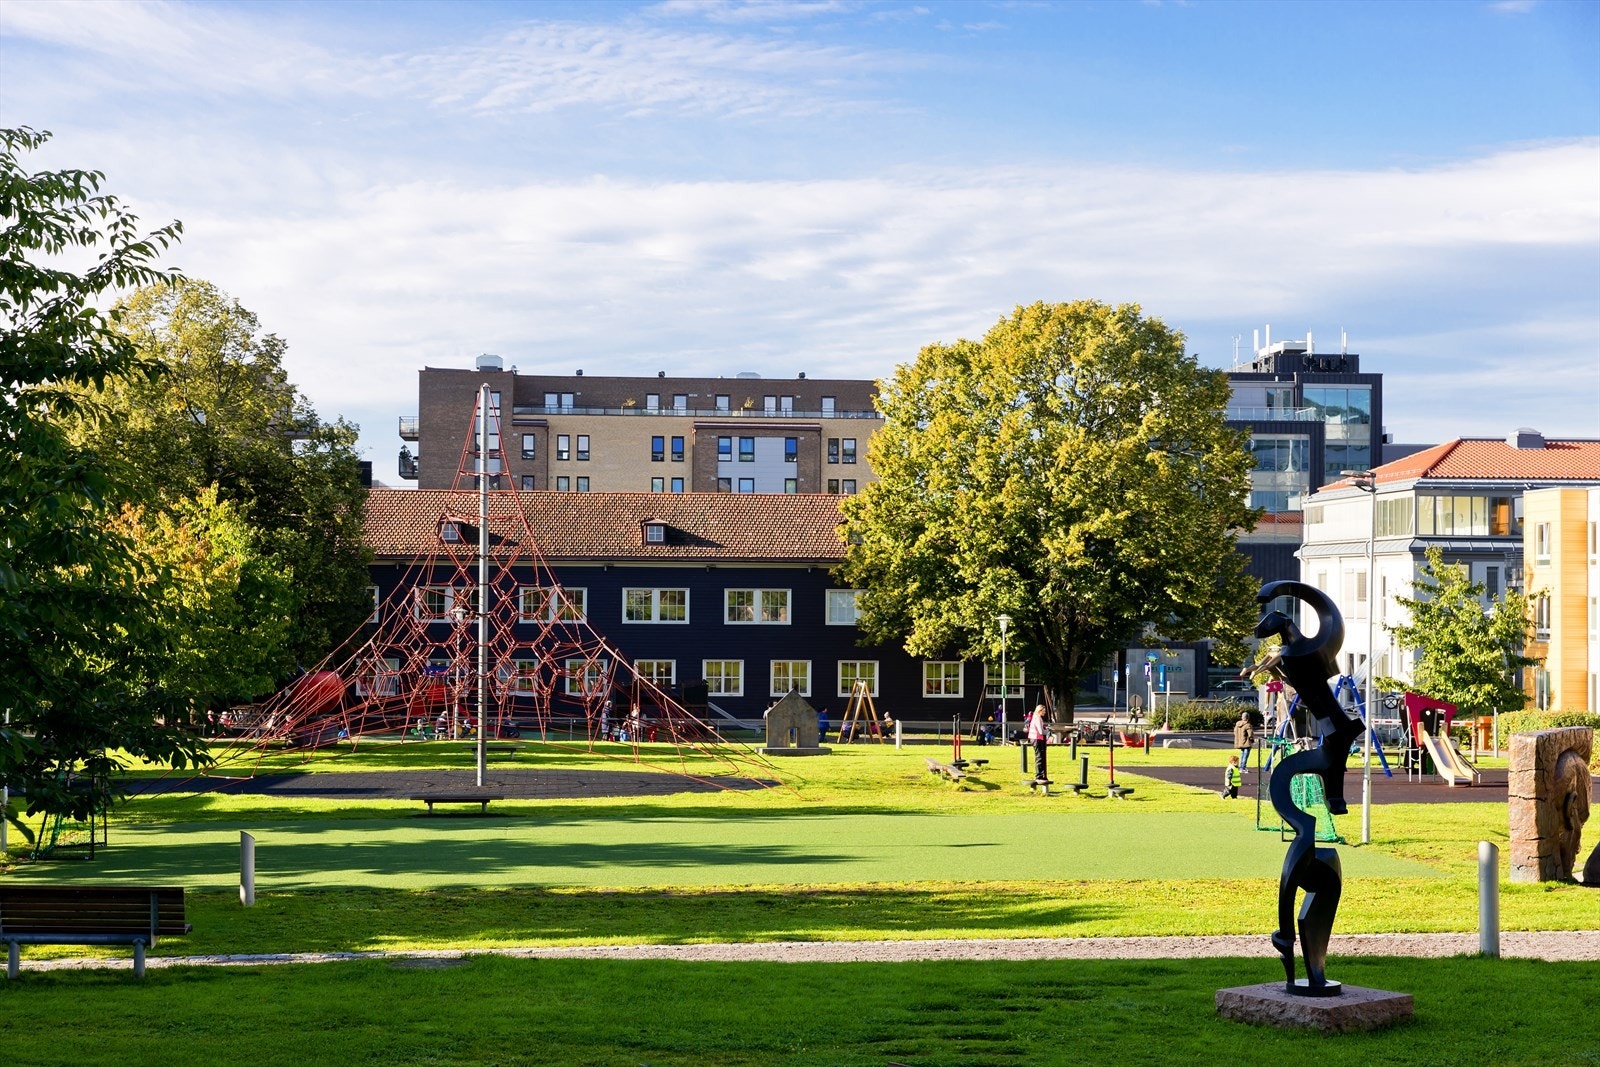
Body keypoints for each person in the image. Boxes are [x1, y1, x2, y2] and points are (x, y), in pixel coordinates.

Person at [1027, 703, 1049, 782]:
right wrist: (1048, 731)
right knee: (1039, 756)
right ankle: (1039, 775)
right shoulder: (1038, 718)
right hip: (1037, 739)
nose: (1045, 712)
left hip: (1034, 738)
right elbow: (1040, 731)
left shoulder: (1035, 717)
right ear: (1039, 711)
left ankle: (1040, 774)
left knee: (1039, 756)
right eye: (1043, 711)